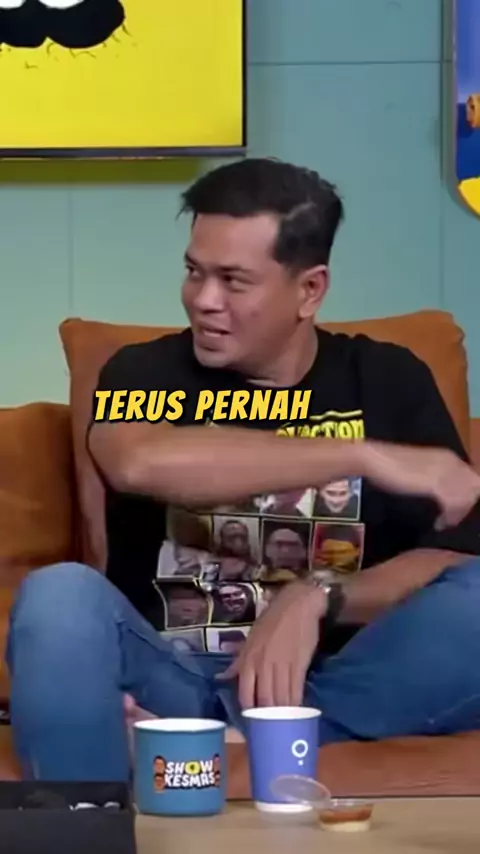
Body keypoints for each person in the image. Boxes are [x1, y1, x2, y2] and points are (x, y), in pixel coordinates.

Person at [6, 157, 480, 784]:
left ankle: (225, 743)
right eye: (194, 272)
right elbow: (138, 461)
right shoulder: (143, 372)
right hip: (172, 677)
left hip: (329, 685)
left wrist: (320, 598)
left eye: (234, 281)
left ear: (309, 290)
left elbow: (451, 555)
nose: (204, 300)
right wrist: (363, 454)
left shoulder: (389, 378)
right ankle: (89, 818)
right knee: (59, 595)